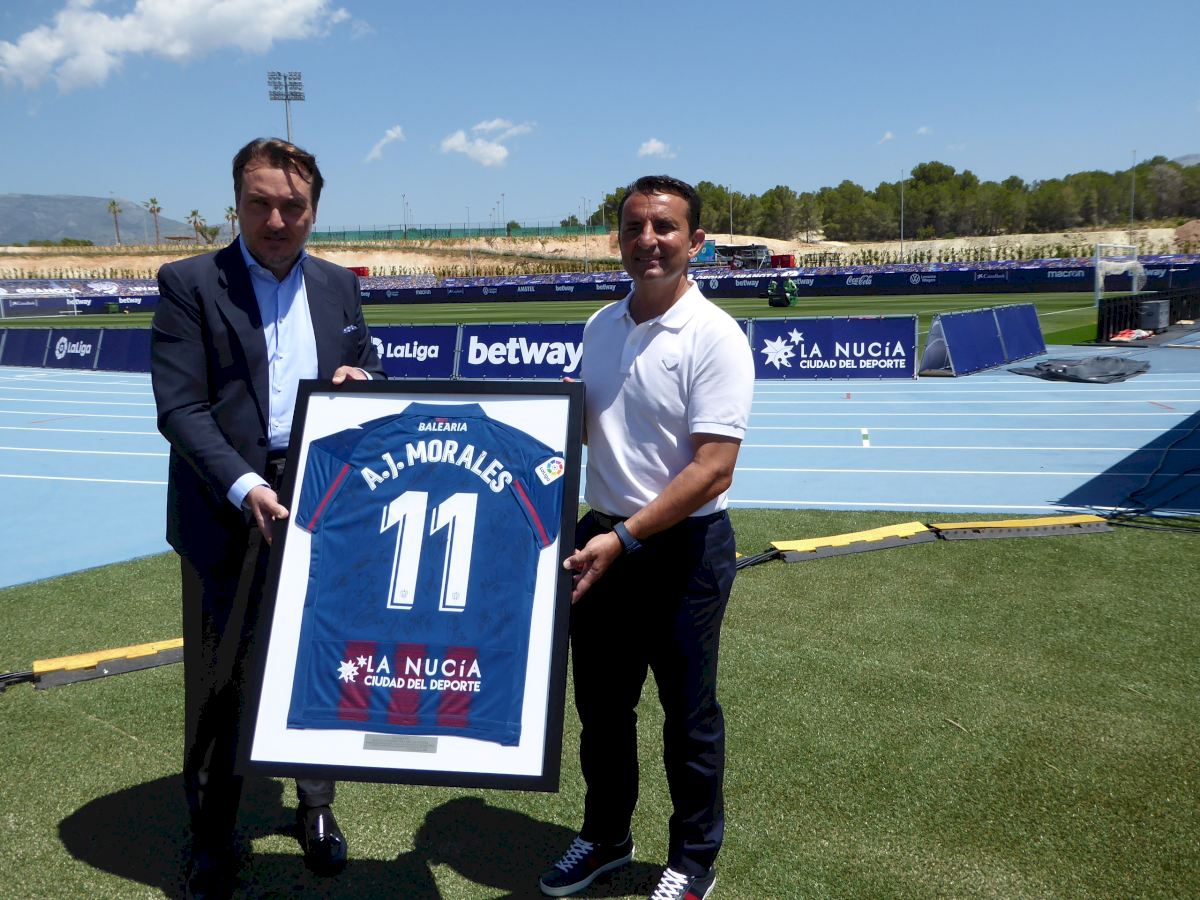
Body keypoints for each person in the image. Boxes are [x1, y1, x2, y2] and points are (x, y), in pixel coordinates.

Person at [150, 137, 384, 899]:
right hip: (228, 506)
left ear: (315, 210)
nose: (277, 220)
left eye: (293, 206)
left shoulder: (337, 285)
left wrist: (363, 378)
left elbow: (367, 366)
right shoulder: (189, 283)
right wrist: (246, 484)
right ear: (237, 204)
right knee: (220, 682)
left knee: (317, 659)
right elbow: (180, 409)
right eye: (261, 204)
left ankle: (315, 805)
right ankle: (212, 837)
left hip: (323, 499)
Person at [539, 176, 754, 900]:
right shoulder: (600, 326)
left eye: (665, 227)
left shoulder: (716, 335)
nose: (648, 241)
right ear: (619, 239)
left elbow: (714, 468)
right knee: (601, 712)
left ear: (696, 241)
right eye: (634, 227)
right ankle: (606, 836)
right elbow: (580, 432)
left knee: (688, 717)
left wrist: (626, 538)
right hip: (600, 542)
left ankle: (693, 859)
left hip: (683, 551)